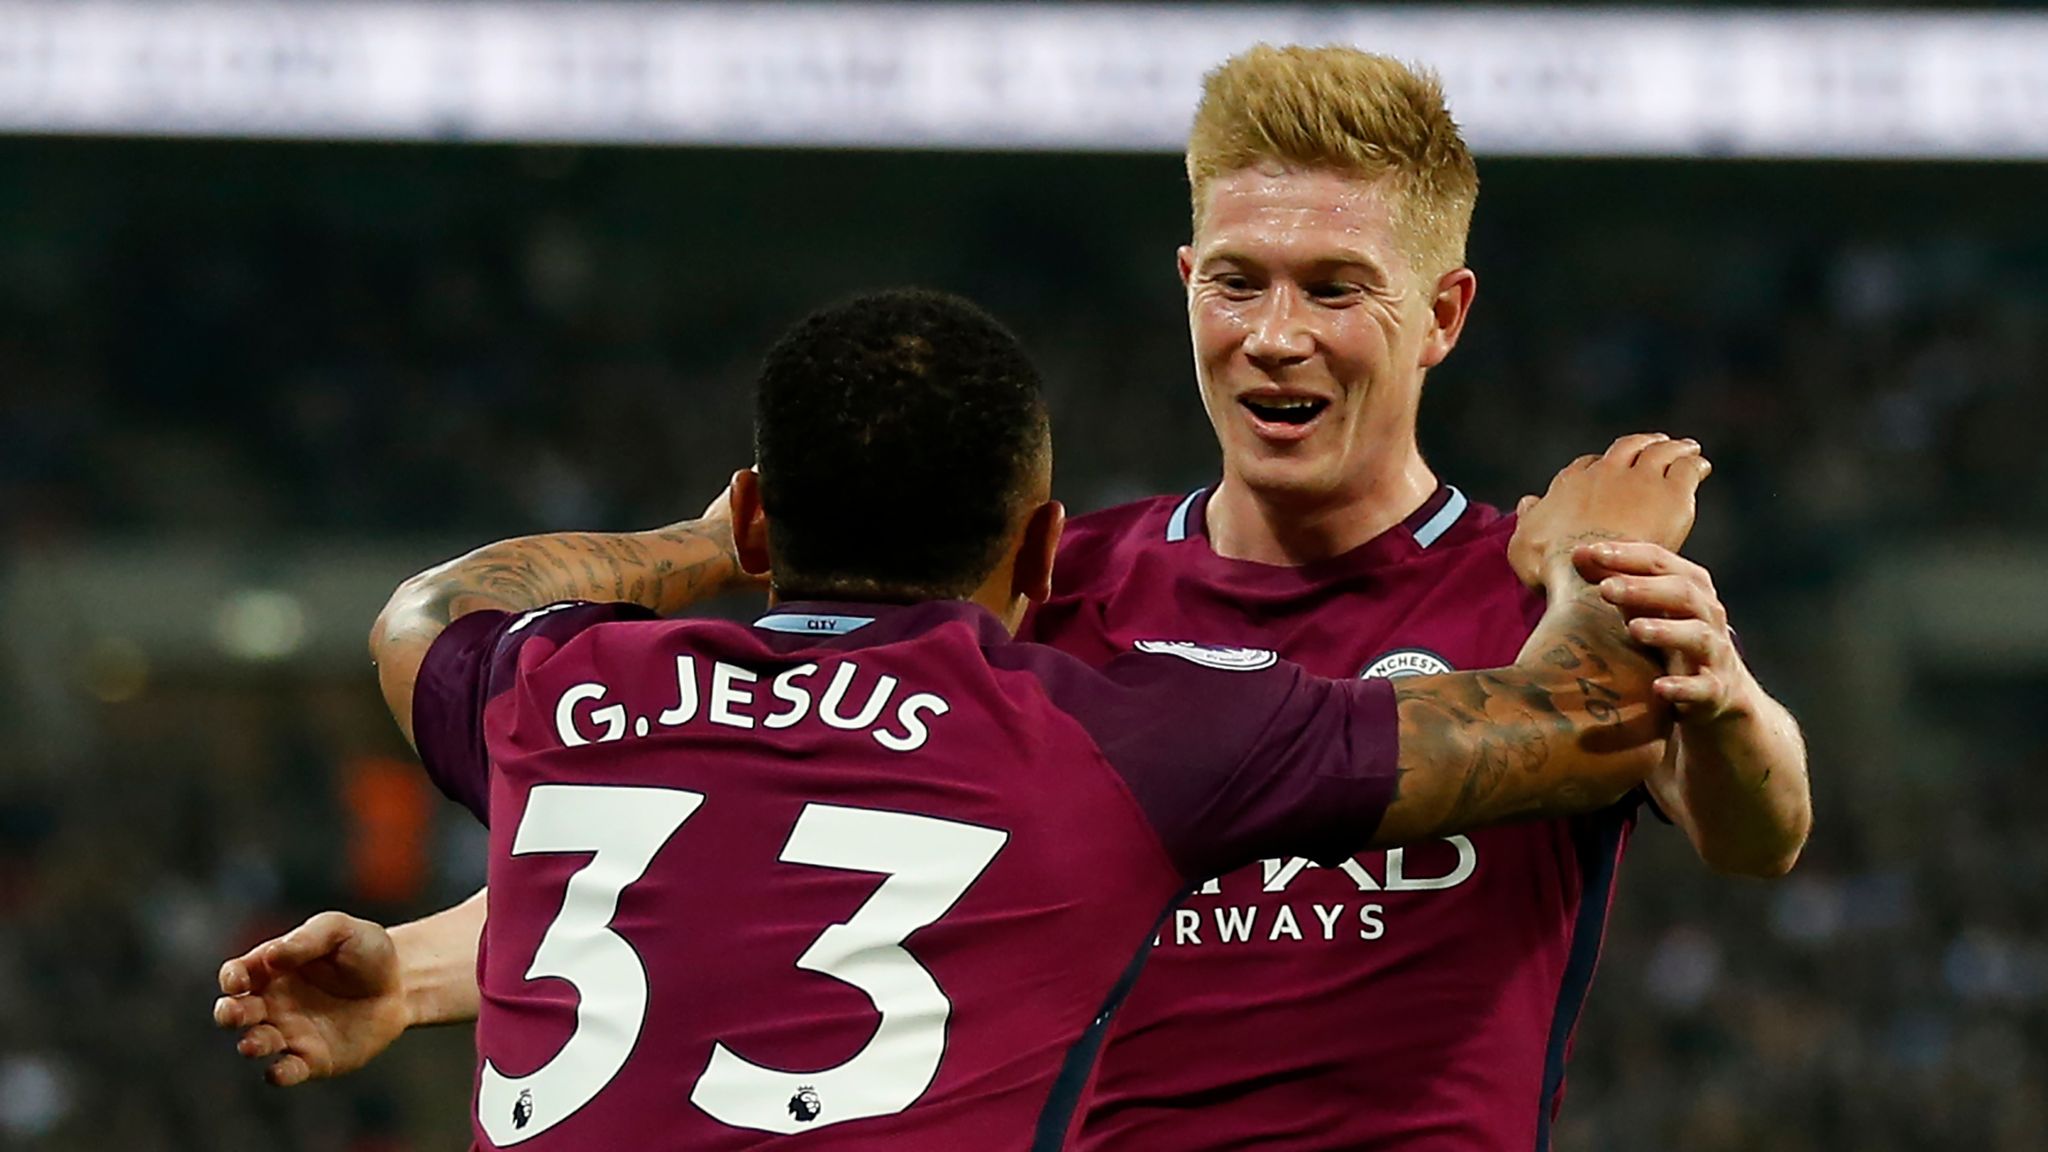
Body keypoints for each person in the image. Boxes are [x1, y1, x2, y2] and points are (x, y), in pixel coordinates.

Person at [218, 45, 1811, 1150]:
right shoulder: (1048, 595)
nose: (1275, 334)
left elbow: (1756, 829)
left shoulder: (1534, 592)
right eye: (1239, 280)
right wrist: (424, 971)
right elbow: (751, 849)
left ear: (1442, 313)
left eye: (1335, 289)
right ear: (1185, 283)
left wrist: (1721, 694)